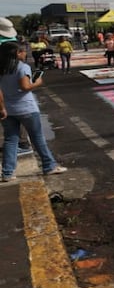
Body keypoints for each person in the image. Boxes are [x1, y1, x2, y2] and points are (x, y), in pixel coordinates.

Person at [1, 41, 67, 182]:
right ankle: (49, 166)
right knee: (37, 138)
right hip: (26, 108)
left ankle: (7, 172)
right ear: (17, 53)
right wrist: (38, 82)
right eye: (23, 51)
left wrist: (2, 108)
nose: (25, 53)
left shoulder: (1, 69)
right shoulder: (22, 67)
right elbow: (25, 86)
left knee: (11, 140)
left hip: (8, 109)